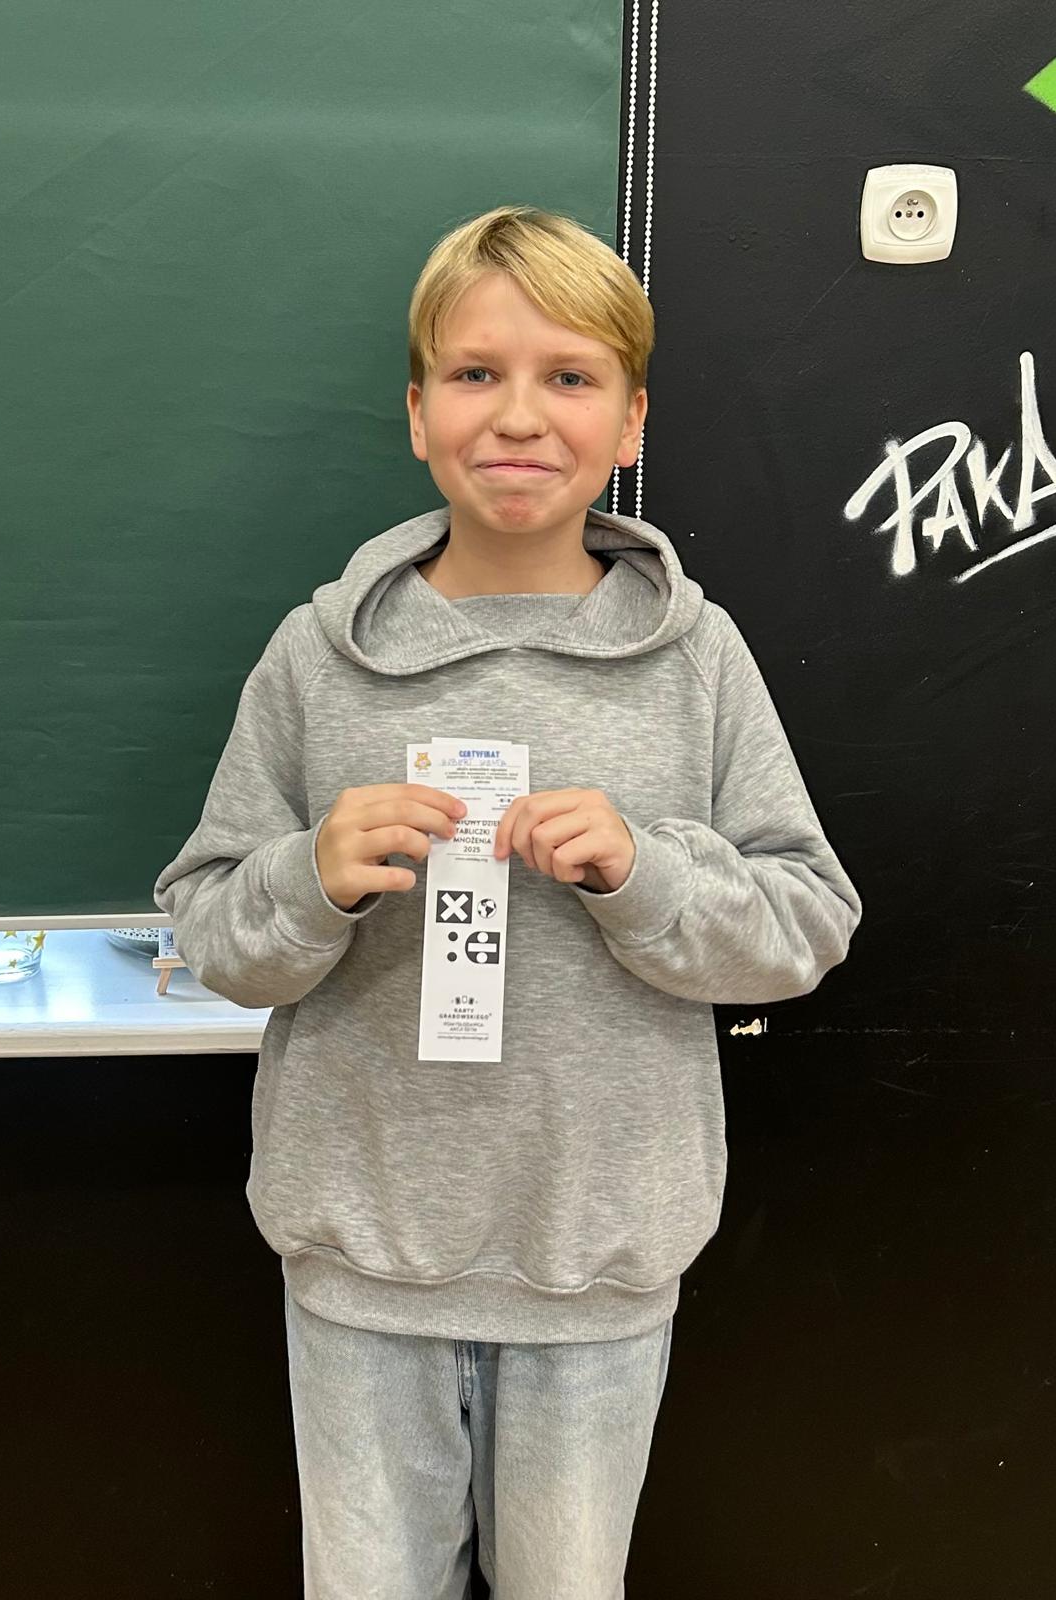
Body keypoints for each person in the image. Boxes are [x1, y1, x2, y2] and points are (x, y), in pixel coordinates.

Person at [152, 203, 863, 1599]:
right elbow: (211, 928)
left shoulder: (697, 660)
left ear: (632, 420)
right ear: (417, 413)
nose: (520, 415)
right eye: (475, 373)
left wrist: (645, 872)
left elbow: (805, 924)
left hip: (597, 1266)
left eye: (570, 376)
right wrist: (308, 881)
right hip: (361, 1268)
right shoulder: (317, 659)